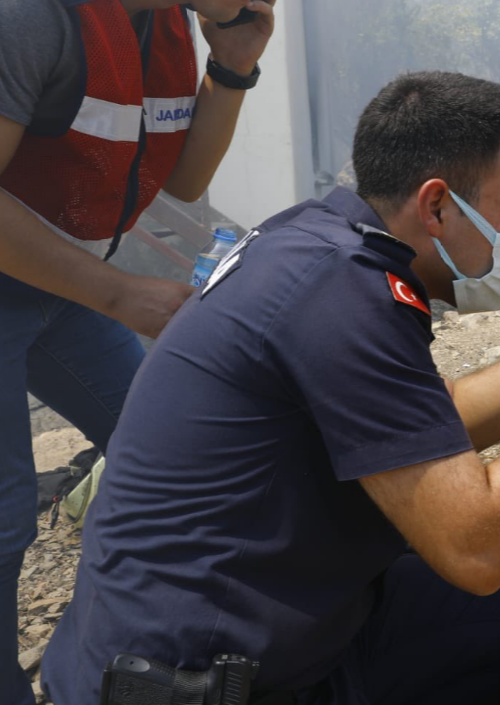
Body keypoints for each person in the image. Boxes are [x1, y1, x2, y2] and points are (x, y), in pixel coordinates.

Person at [42, 71, 500, 705]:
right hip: (197, 680)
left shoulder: (318, 244)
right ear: (436, 205)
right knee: (488, 586)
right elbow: (477, 550)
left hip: (166, 628)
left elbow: (427, 418)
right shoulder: (343, 294)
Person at [0, 1, 275, 703]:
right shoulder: (32, 19)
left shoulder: (159, 24)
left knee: (169, 443)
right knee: (5, 513)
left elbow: (181, 180)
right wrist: (120, 295)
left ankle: (154, 649)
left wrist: (233, 64)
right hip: (37, 279)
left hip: (56, 284)